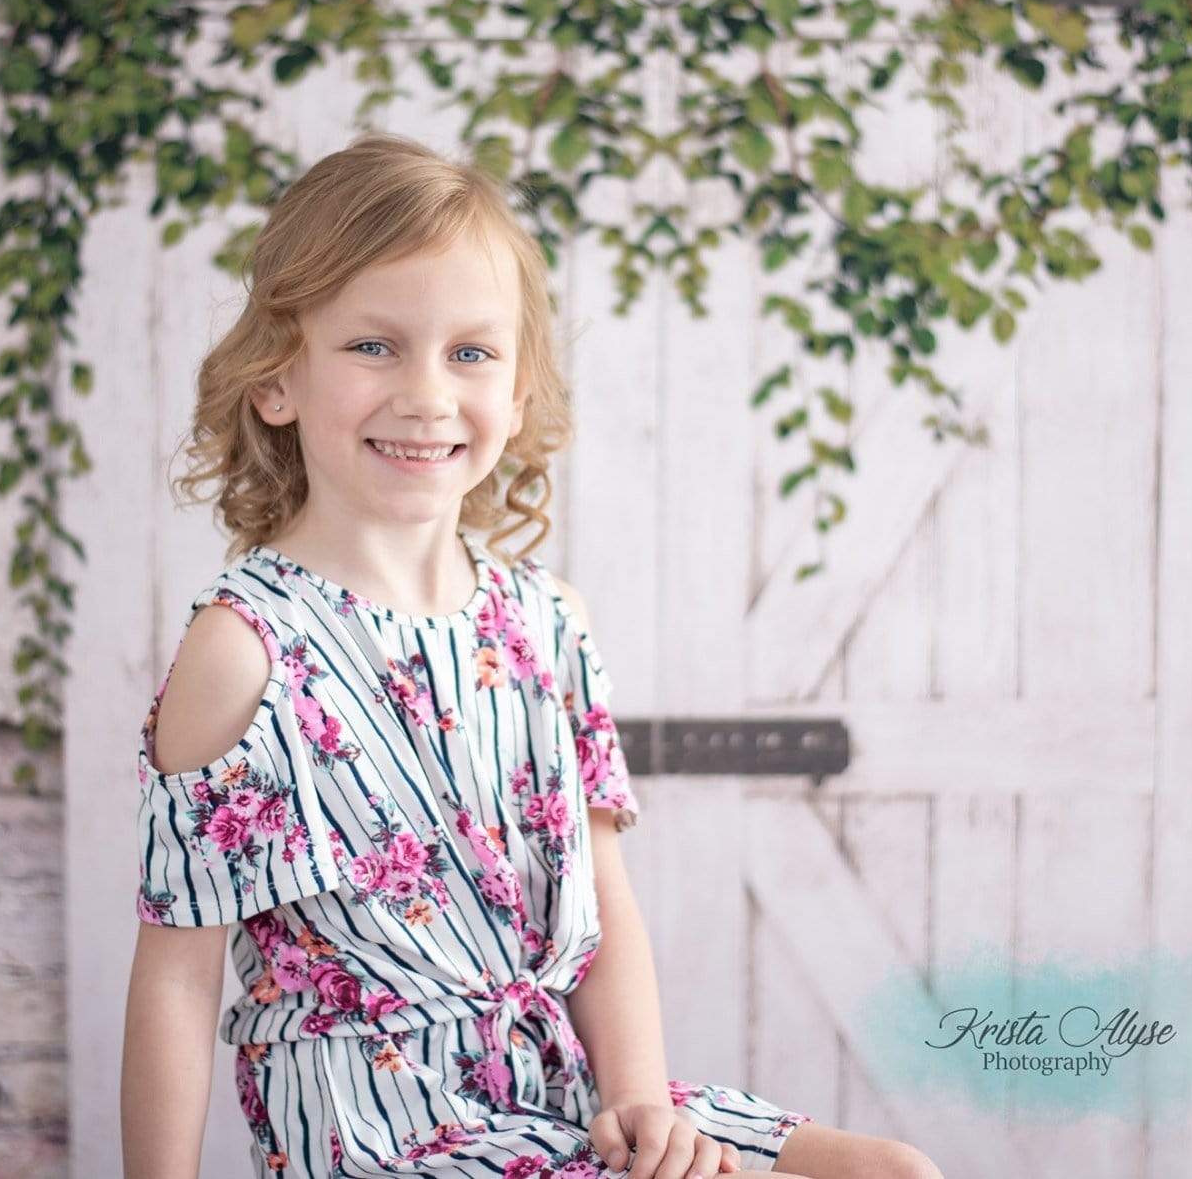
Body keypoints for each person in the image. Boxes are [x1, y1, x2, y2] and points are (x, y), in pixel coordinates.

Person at [120, 132, 943, 1179]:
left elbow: (601, 898)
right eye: (374, 345)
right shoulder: (244, 651)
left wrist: (638, 1100)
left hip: (557, 1087)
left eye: (469, 352)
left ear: (514, 398)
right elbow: (177, 981)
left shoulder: (546, 620)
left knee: (892, 1170)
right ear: (277, 377)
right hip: (385, 1126)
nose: (426, 391)